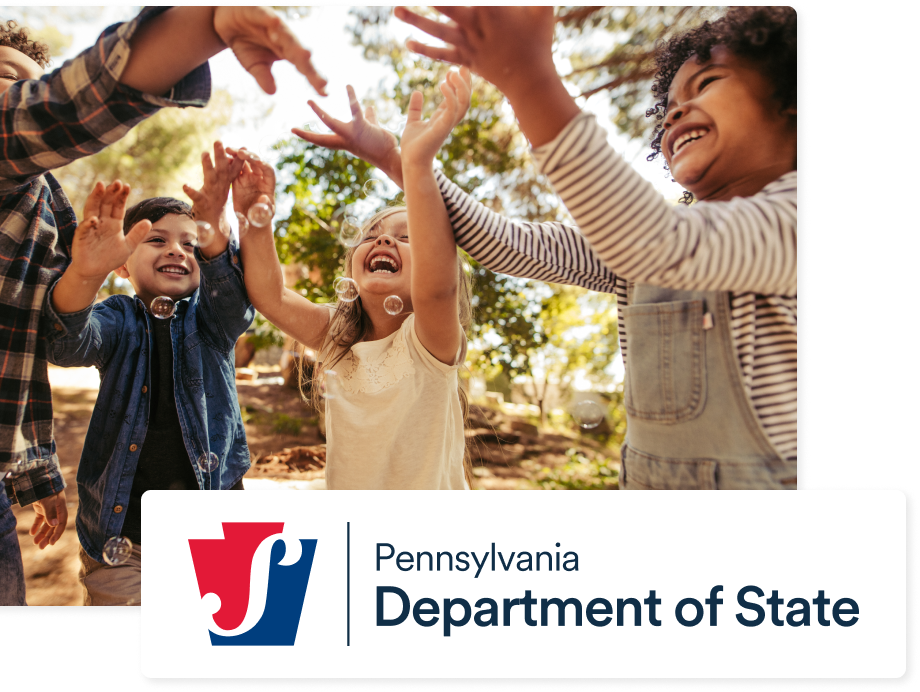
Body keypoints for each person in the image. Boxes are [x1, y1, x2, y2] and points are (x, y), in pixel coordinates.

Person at [0, 6, 324, 605]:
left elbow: (22, 344)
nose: (25, 89)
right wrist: (196, 29)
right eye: (6, 77)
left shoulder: (53, 212)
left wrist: (38, 470)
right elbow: (47, 116)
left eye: (32, 77)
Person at [297, 7, 799, 490]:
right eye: (666, 109)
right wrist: (405, 163)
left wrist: (530, 80)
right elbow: (509, 243)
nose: (675, 114)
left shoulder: (789, 219)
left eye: (707, 83)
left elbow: (659, 241)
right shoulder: (638, 244)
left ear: (790, 102)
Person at [237, 72, 475, 490]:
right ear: (352, 267)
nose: (384, 237)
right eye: (372, 235)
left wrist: (408, 161)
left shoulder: (430, 341)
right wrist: (255, 218)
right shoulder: (336, 335)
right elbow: (269, 296)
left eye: (408, 237)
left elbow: (438, 286)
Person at [46, 145, 252, 606]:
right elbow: (67, 343)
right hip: (125, 538)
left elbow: (235, 300)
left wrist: (216, 229)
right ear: (122, 263)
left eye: (190, 242)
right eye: (156, 240)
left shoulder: (212, 320)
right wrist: (84, 272)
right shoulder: (119, 318)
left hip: (215, 533)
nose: (177, 250)